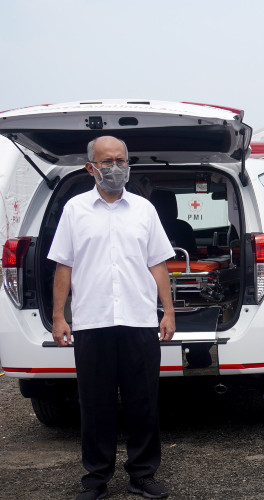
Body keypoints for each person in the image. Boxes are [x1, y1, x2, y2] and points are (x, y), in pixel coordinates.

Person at [49, 136, 176, 500]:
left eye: (121, 159)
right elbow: (63, 266)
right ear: (91, 167)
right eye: (107, 161)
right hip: (92, 322)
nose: (115, 167)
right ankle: (96, 479)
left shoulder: (143, 210)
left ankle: (143, 474)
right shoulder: (75, 210)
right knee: (95, 405)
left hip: (138, 321)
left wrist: (167, 311)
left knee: (143, 402)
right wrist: (60, 317)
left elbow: (158, 264)